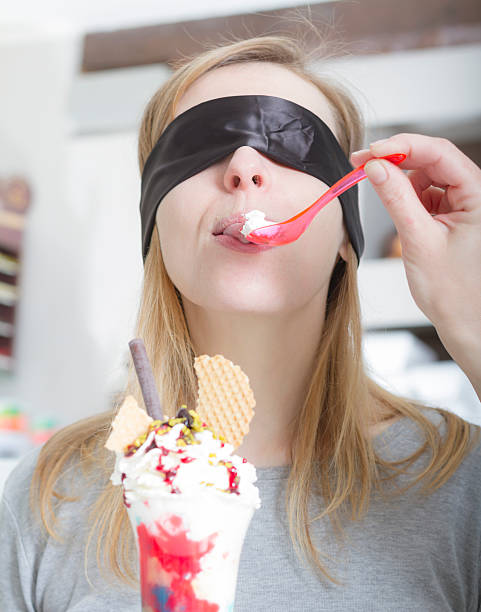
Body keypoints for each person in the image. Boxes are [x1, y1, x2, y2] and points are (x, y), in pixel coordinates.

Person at [1, 35, 480, 611]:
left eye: (292, 143)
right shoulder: (52, 496)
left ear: (346, 238)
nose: (244, 167)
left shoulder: (458, 484)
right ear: (156, 227)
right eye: (201, 145)